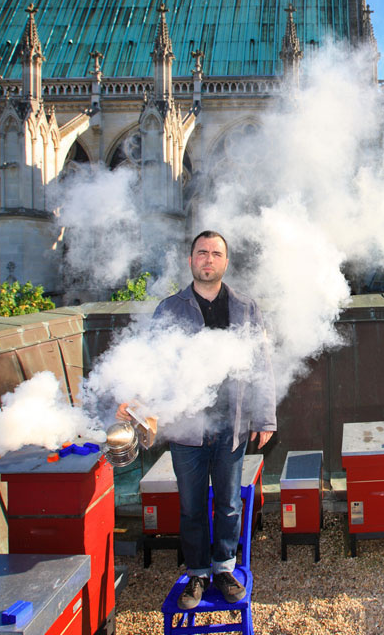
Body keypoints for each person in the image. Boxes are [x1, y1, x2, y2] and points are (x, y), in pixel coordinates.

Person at [126, 230, 277, 611]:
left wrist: (265, 418)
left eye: (216, 254)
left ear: (226, 262)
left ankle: (224, 568)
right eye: (201, 253)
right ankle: (196, 573)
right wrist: (135, 399)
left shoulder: (246, 307)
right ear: (191, 260)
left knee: (228, 503)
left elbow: (262, 366)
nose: (208, 259)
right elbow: (151, 362)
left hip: (233, 425)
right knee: (191, 506)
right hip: (187, 428)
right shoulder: (170, 308)